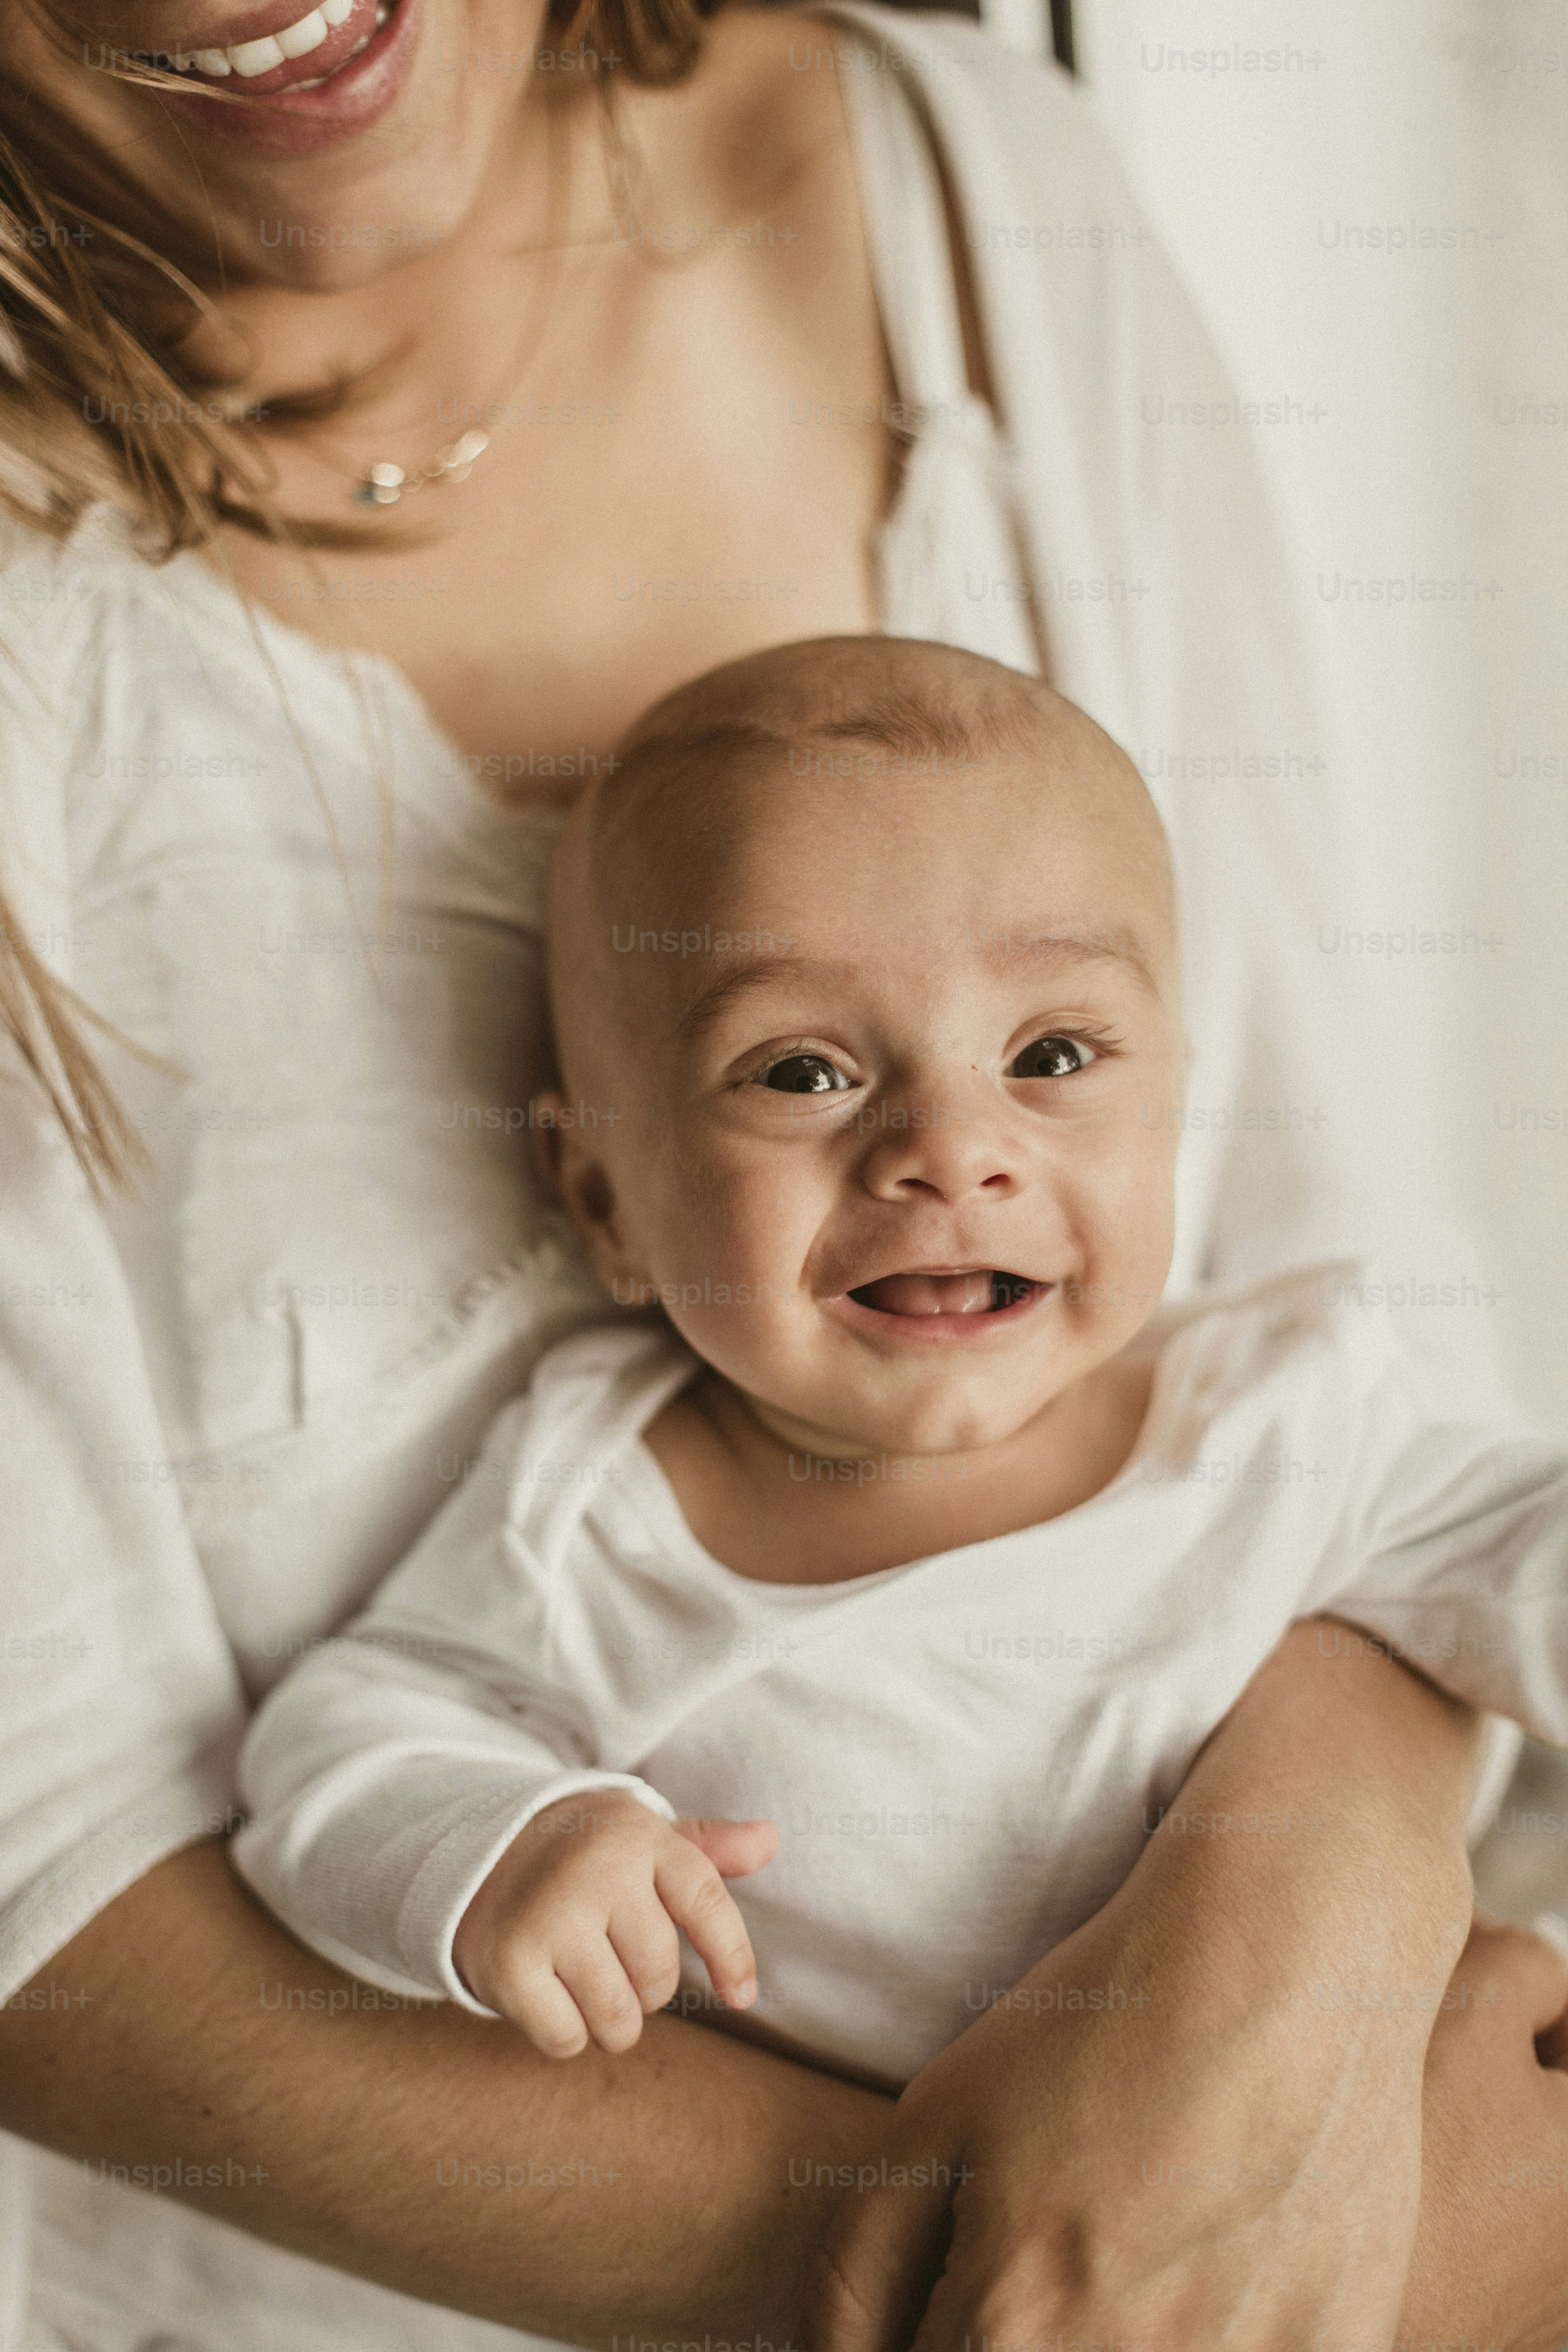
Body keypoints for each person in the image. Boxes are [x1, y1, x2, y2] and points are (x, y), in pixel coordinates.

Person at [0, 0, 1565, 2346]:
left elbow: (1446, 1483)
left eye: (1047, 1054)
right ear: (597, 1203)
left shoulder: (1275, 1395)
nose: (959, 1151)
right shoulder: (579, 1513)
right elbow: (269, 1780)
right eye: (805, 1078)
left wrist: (1303, 1972)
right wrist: (513, 1857)